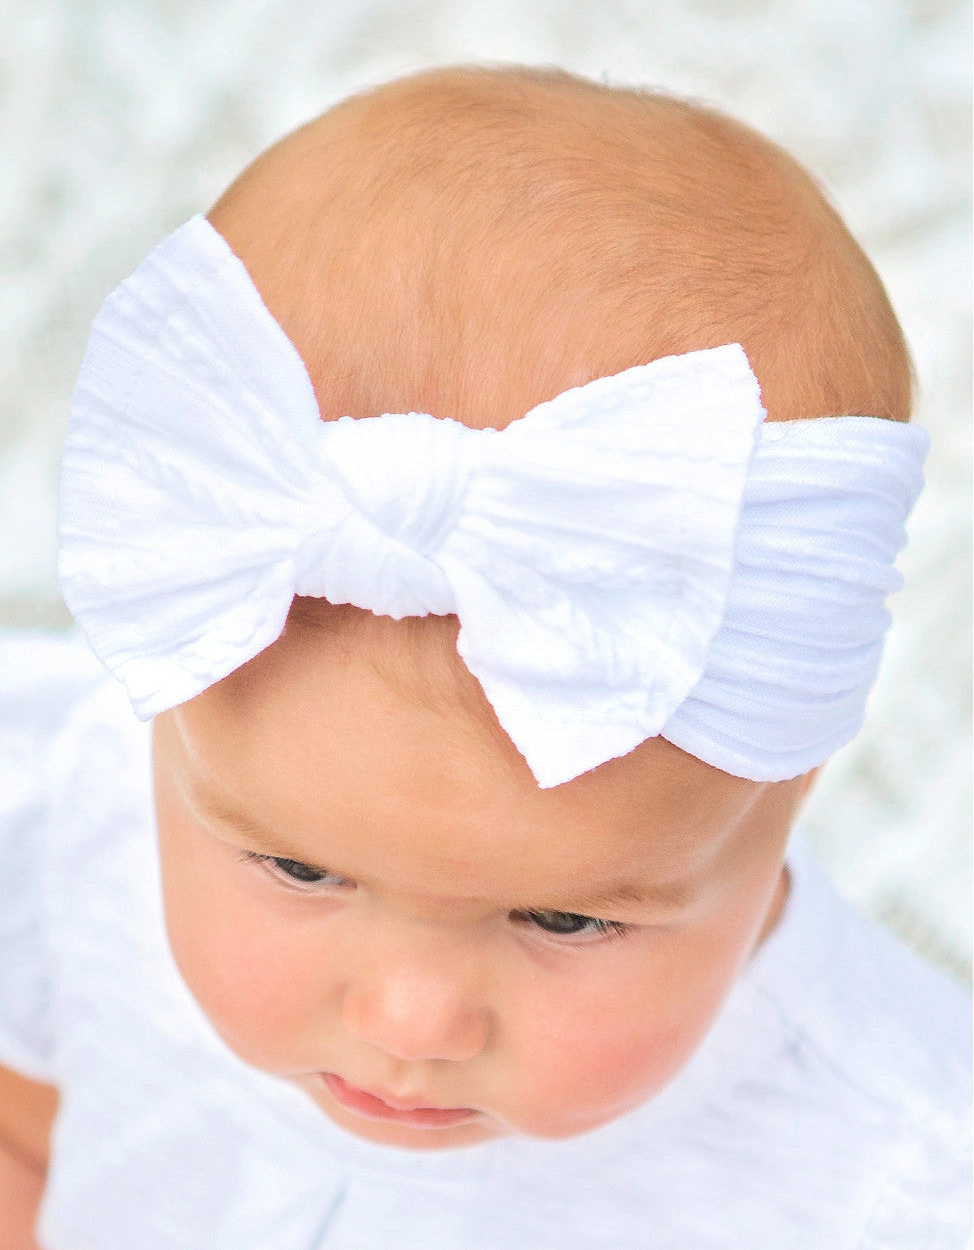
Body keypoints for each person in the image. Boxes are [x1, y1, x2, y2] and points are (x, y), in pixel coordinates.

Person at [0, 65, 969, 1249]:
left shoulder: (896, 1176)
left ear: (791, 779)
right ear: (175, 711)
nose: (411, 1021)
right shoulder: (65, 806)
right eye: (299, 870)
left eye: (561, 920)